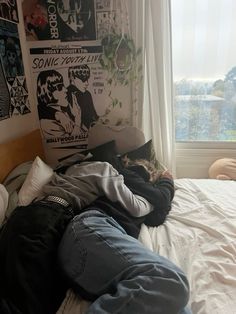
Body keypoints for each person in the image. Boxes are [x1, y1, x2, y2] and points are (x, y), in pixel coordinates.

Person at [55, 158, 192, 314]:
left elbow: (157, 217)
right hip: (91, 228)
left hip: (94, 269)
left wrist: (163, 191)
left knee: (179, 308)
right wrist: (167, 180)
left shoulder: (146, 198)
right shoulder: (127, 175)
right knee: (170, 281)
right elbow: (160, 197)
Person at [37, 70, 82, 139]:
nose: (66, 90)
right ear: (48, 92)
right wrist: (78, 121)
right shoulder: (48, 124)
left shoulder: (64, 111)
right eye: (60, 87)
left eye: (63, 86)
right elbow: (71, 145)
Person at [67, 64, 99, 131]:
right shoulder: (66, 95)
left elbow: (94, 116)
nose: (87, 83)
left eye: (87, 79)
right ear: (72, 77)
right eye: (83, 80)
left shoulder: (87, 94)